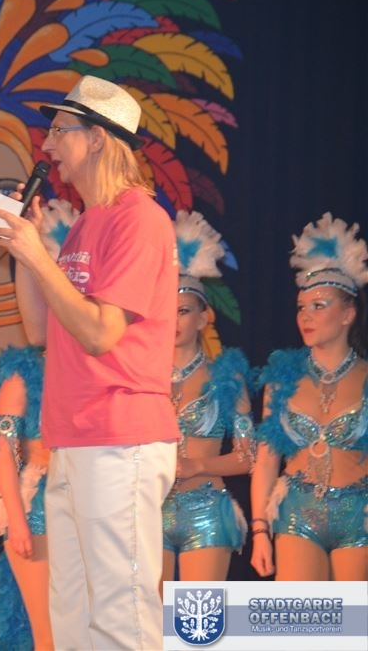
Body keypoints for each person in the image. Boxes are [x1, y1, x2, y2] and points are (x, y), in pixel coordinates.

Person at [0, 74, 179, 650]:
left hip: (120, 438)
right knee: (73, 620)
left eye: (59, 131)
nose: (47, 146)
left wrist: (39, 257)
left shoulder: (138, 218)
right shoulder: (86, 222)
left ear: (97, 138)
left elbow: (101, 333)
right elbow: (41, 330)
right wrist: (26, 250)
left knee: (123, 619)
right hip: (72, 439)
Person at [251, 212, 368, 581]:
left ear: (347, 314)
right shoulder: (282, 376)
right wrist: (259, 532)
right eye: (302, 307)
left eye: (320, 306)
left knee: (351, 618)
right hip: (296, 513)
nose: (306, 316)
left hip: (358, 515)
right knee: (302, 616)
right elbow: (266, 460)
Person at [0, 200, 76, 651]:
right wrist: (17, 521)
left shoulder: (93, 370)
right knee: (49, 637)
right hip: (36, 508)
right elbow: (4, 451)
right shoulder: (21, 375)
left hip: (85, 503)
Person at [163, 211, 254, 584]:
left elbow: (248, 457)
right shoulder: (140, 379)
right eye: (165, 312)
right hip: (148, 511)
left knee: (196, 618)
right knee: (150, 618)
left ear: (204, 318)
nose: (173, 321)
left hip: (207, 509)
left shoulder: (226, 377)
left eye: (183, 311)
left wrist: (198, 466)